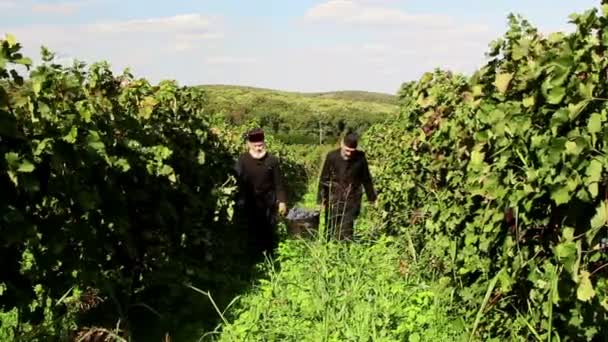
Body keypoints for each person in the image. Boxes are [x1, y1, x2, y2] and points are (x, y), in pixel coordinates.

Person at [234, 128, 287, 259]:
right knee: (251, 232)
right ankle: (252, 259)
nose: (258, 148)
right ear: (249, 145)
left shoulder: (272, 160)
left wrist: (282, 201)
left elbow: (278, 183)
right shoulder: (242, 160)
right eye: (255, 146)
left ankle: (268, 258)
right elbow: (236, 181)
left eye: (261, 145)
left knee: (268, 231)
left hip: (268, 201)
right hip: (249, 201)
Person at [317, 132, 377, 241]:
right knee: (331, 227)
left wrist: (372, 198)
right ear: (341, 145)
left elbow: (366, 178)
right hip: (334, 198)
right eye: (347, 150)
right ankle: (328, 249)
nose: (349, 154)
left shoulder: (360, 157)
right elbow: (324, 179)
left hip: (352, 198)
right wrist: (321, 199)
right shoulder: (332, 156)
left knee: (346, 230)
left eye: (352, 151)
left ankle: (344, 250)